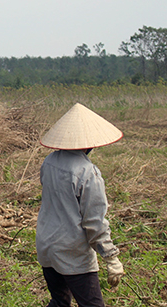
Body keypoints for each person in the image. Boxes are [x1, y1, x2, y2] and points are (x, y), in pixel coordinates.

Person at [36, 103, 126, 307]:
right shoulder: (88, 173)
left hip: (47, 245)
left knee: (59, 301)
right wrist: (111, 257)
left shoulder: (49, 161)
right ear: (90, 143)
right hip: (72, 252)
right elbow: (94, 223)